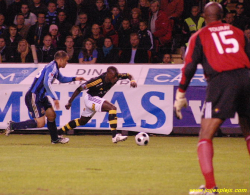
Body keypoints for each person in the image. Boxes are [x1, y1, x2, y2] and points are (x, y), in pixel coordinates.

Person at [173, 3, 250, 194]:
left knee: (205, 135)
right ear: (223, 15)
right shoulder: (238, 32)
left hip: (222, 81)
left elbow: (189, 66)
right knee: (248, 131)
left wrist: (181, 93)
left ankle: (210, 188)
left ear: (204, 17)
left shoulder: (199, 36)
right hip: (247, 77)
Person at [5, 50, 85, 144]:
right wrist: (55, 98)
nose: (67, 63)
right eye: (66, 60)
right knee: (40, 123)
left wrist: (75, 78)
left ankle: (55, 139)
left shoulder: (54, 66)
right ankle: (13, 126)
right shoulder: (52, 68)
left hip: (41, 96)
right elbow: (46, 83)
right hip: (34, 96)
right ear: (60, 59)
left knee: (51, 115)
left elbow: (62, 79)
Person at [58, 66, 137, 143]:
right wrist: (69, 102)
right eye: (113, 77)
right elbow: (79, 89)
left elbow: (128, 75)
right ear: (108, 75)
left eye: (116, 77)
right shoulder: (96, 81)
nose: (116, 79)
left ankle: (59, 132)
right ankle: (115, 136)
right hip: (90, 98)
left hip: (95, 100)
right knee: (112, 108)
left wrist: (132, 80)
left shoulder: (116, 76)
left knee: (82, 121)